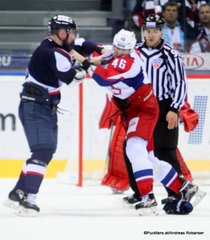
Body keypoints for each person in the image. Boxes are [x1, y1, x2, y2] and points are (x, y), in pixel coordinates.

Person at [89, 29, 196, 215]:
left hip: (143, 109)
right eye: (117, 48)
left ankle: (147, 197)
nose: (120, 52)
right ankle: (183, 186)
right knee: (150, 157)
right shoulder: (121, 53)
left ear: (131, 49)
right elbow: (103, 50)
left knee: (134, 148)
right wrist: (79, 45)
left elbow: (103, 78)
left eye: (124, 49)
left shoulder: (129, 61)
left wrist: (85, 64)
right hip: (135, 109)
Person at [4, 14, 92, 217]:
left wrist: (85, 61)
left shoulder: (49, 44)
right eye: (70, 32)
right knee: (43, 153)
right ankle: (29, 199)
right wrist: (86, 68)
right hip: (36, 106)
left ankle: (18, 192)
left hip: (40, 105)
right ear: (62, 33)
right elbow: (70, 77)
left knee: (45, 152)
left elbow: (70, 53)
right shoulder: (53, 53)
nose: (73, 35)